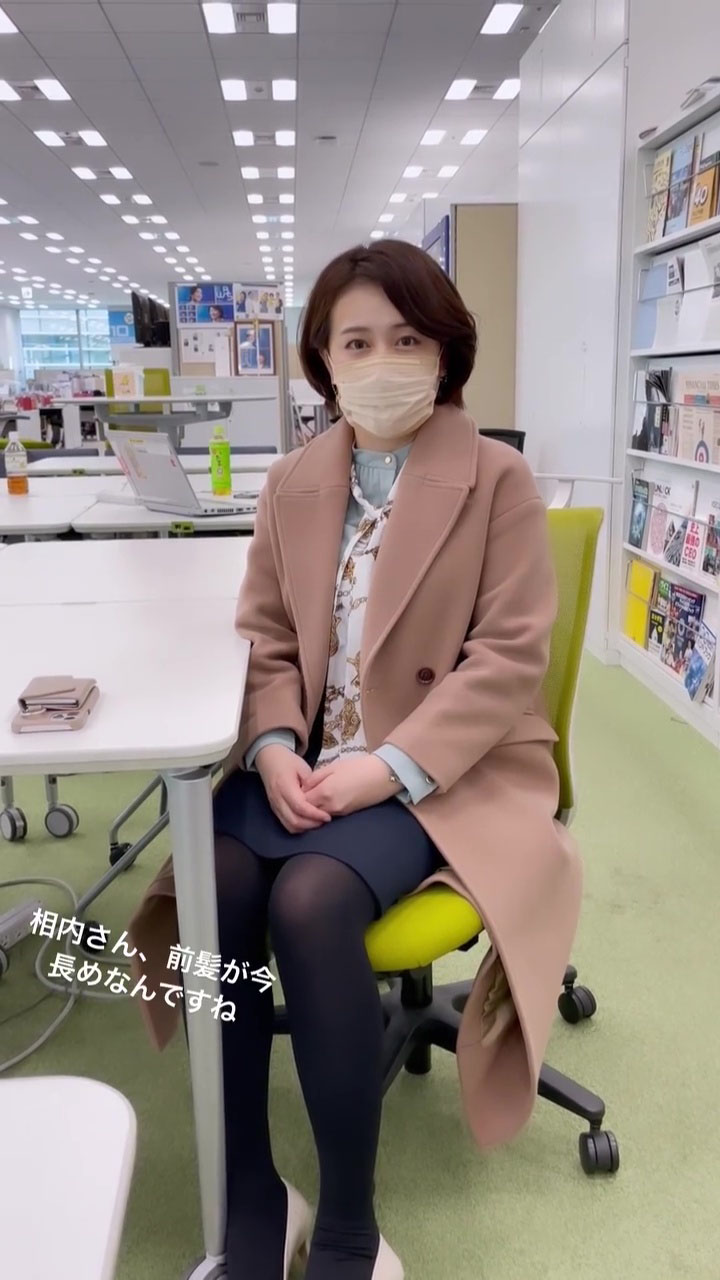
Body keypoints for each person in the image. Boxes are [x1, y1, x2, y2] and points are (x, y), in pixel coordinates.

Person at [128, 240, 581, 1280]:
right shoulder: (293, 480)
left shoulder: (499, 479)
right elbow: (263, 635)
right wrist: (272, 745)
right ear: (323, 360)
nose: (382, 362)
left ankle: (345, 1223)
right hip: (302, 759)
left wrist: (390, 765)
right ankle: (253, 1194)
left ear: (445, 352)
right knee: (215, 883)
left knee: (312, 899)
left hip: (441, 771)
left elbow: (509, 657)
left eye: (407, 339)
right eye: (357, 341)